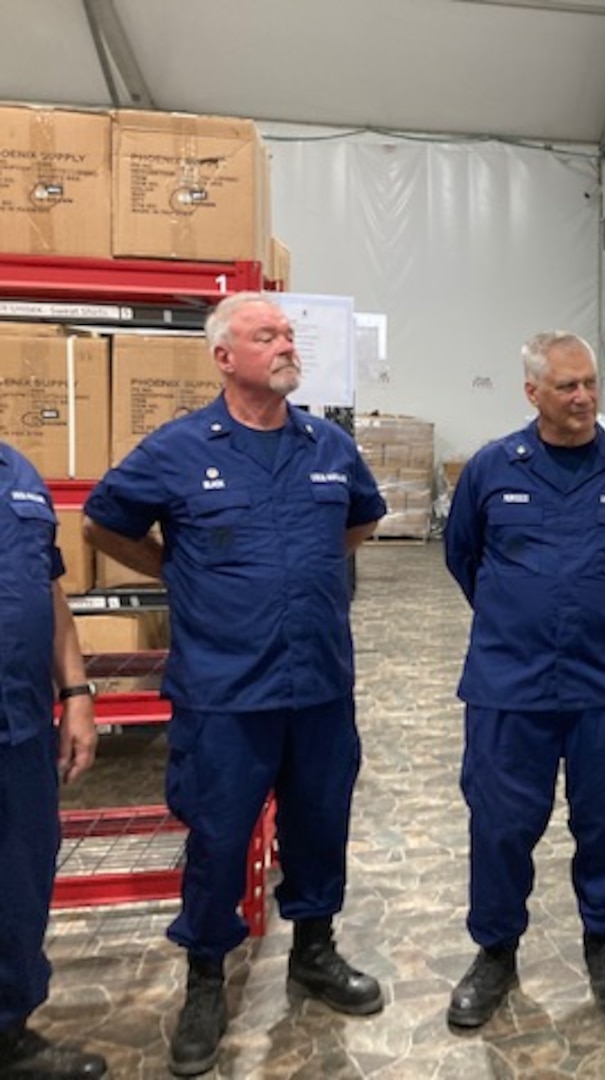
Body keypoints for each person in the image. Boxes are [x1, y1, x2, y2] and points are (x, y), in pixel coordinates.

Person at [82, 293, 388, 1078]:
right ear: (225, 357)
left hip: (319, 684)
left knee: (321, 827)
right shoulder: (179, 449)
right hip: (225, 690)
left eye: (288, 333)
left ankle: (314, 953)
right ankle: (206, 981)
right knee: (218, 840)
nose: (287, 344)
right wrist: (177, 573)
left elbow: (360, 520)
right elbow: (103, 523)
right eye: (267, 335)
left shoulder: (328, 444)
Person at [443, 330, 605, 1029]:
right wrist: (521, 617)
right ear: (532, 391)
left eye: (591, 383)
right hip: (512, 686)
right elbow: (463, 557)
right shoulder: (491, 468)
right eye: (567, 386)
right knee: (502, 826)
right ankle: (496, 953)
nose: (583, 397)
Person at [0, 442, 108, 1079]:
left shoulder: (19, 474)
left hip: (20, 723)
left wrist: (76, 694)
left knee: (20, 880)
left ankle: (10, 1034)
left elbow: (50, 590)